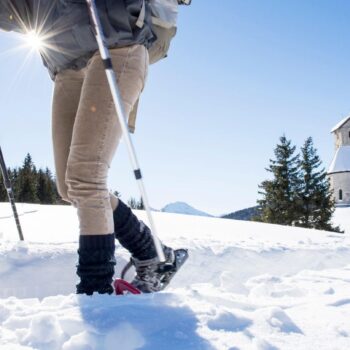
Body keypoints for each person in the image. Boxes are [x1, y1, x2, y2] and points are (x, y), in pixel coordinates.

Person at [0, 0, 176, 295]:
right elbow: (18, 12)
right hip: (66, 66)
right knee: (70, 188)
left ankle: (96, 294)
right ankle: (152, 253)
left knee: (86, 179)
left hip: (116, 46)